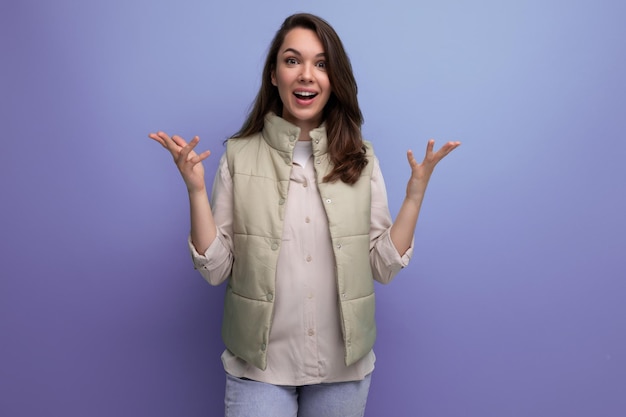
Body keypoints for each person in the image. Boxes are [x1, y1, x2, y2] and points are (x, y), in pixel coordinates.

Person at [149, 12, 460, 417]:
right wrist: (194, 190)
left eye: (321, 63)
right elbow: (215, 269)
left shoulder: (361, 159)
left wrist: (414, 197)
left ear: (334, 79)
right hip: (258, 369)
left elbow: (382, 267)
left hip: (342, 368)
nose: (306, 75)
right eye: (292, 60)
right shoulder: (239, 156)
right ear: (274, 75)